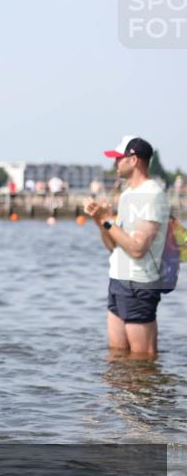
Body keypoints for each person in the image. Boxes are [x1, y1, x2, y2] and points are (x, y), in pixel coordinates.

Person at [83, 136, 169, 357]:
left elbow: (138, 248)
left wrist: (107, 220)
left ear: (133, 160)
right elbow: (113, 246)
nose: (114, 164)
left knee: (143, 361)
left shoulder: (152, 194)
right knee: (116, 358)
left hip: (139, 284)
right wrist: (101, 221)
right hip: (118, 280)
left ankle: (149, 393)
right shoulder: (127, 195)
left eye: (118, 158)